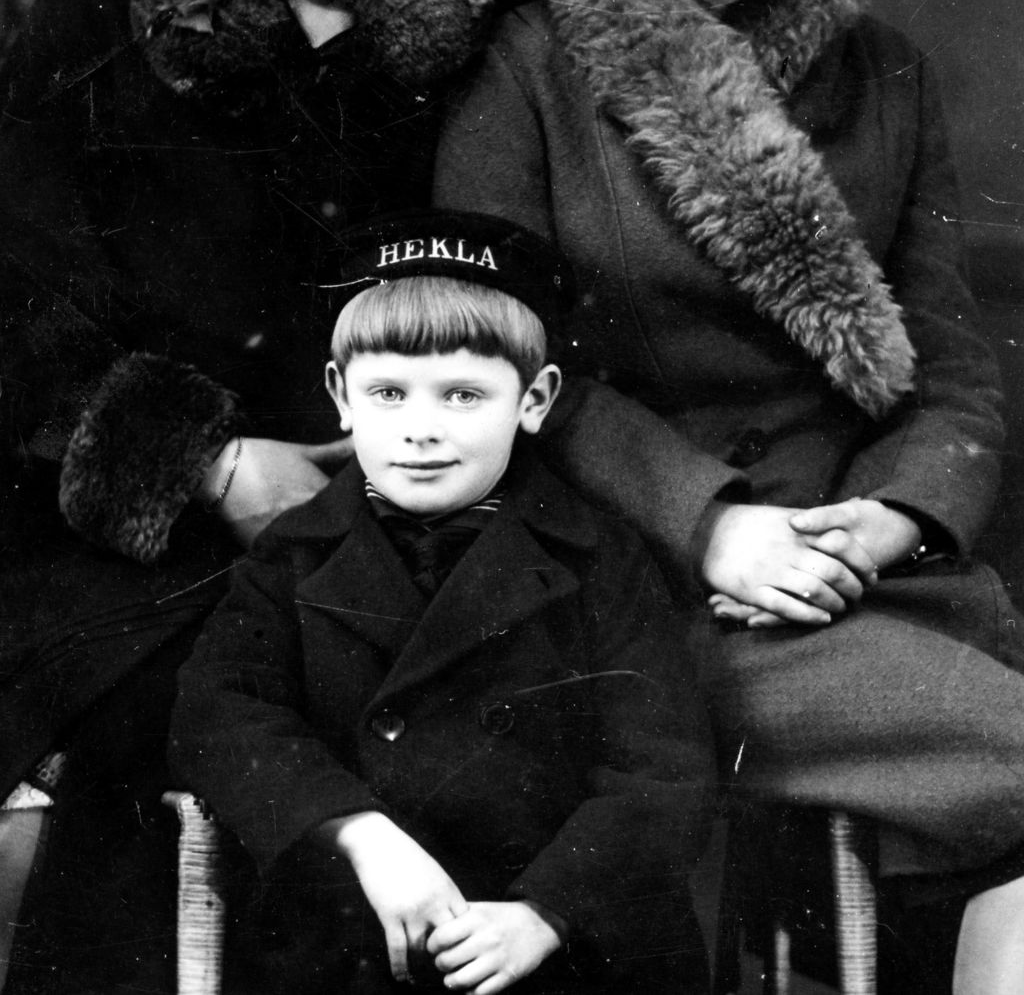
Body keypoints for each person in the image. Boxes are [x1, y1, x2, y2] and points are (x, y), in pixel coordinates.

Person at [434, 0, 1024, 992]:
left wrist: (888, 519)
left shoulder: (888, 75)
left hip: (855, 576)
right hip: (636, 594)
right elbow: (509, 372)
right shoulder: (526, 73)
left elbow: (952, 367)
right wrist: (710, 524)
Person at [0, 0, 515, 994]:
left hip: (423, 523)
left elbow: (548, 301)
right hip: (147, 552)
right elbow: (20, 318)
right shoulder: (100, 7)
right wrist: (209, 463)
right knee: (216, 725)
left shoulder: (497, 23)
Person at [169, 209, 714, 995]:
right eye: (389, 392)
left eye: (462, 395)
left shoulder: (601, 555)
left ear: (534, 399)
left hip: (564, 951)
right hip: (356, 944)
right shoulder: (292, 554)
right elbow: (217, 715)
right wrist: (359, 833)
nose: (420, 429)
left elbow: (662, 771)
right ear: (341, 396)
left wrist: (546, 913)